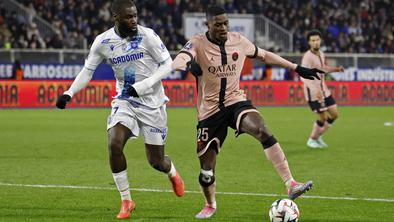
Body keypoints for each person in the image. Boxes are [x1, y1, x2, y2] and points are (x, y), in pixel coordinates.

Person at [169, 5, 320, 219]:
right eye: (217, 24)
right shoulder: (197, 42)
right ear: (208, 25)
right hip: (209, 113)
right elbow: (178, 60)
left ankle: (291, 184)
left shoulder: (239, 40)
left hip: (235, 101)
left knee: (263, 130)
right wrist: (188, 65)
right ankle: (210, 203)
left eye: (225, 23)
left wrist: (296, 67)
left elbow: (265, 55)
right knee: (206, 172)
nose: (222, 27)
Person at [55, 0, 184, 219]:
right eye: (128, 17)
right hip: (125, 100)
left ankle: (171, 171)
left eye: (135, 16)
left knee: (156, 161)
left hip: (153, 104)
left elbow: (168, 64)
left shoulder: (148, 36)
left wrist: (143, 86)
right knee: (114, 143)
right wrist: (69, 92)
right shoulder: (103, 41)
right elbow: (88, 71)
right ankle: (126, 200)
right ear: (115, 17)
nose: (134, 20)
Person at [301, 30, 344, 149]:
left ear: (321, 41)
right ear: (309, 43)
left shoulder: (321, 53)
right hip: (313, 92)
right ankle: (311, 139)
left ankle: (318, 136)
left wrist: (336, 70)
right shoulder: (307, 57)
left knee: (334, 114)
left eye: (317, 40)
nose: (315, 42)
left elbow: (322, 68)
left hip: (324, 89)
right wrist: (314, 90)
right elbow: (303, 76)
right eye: (313, 40)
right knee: (323, 117)